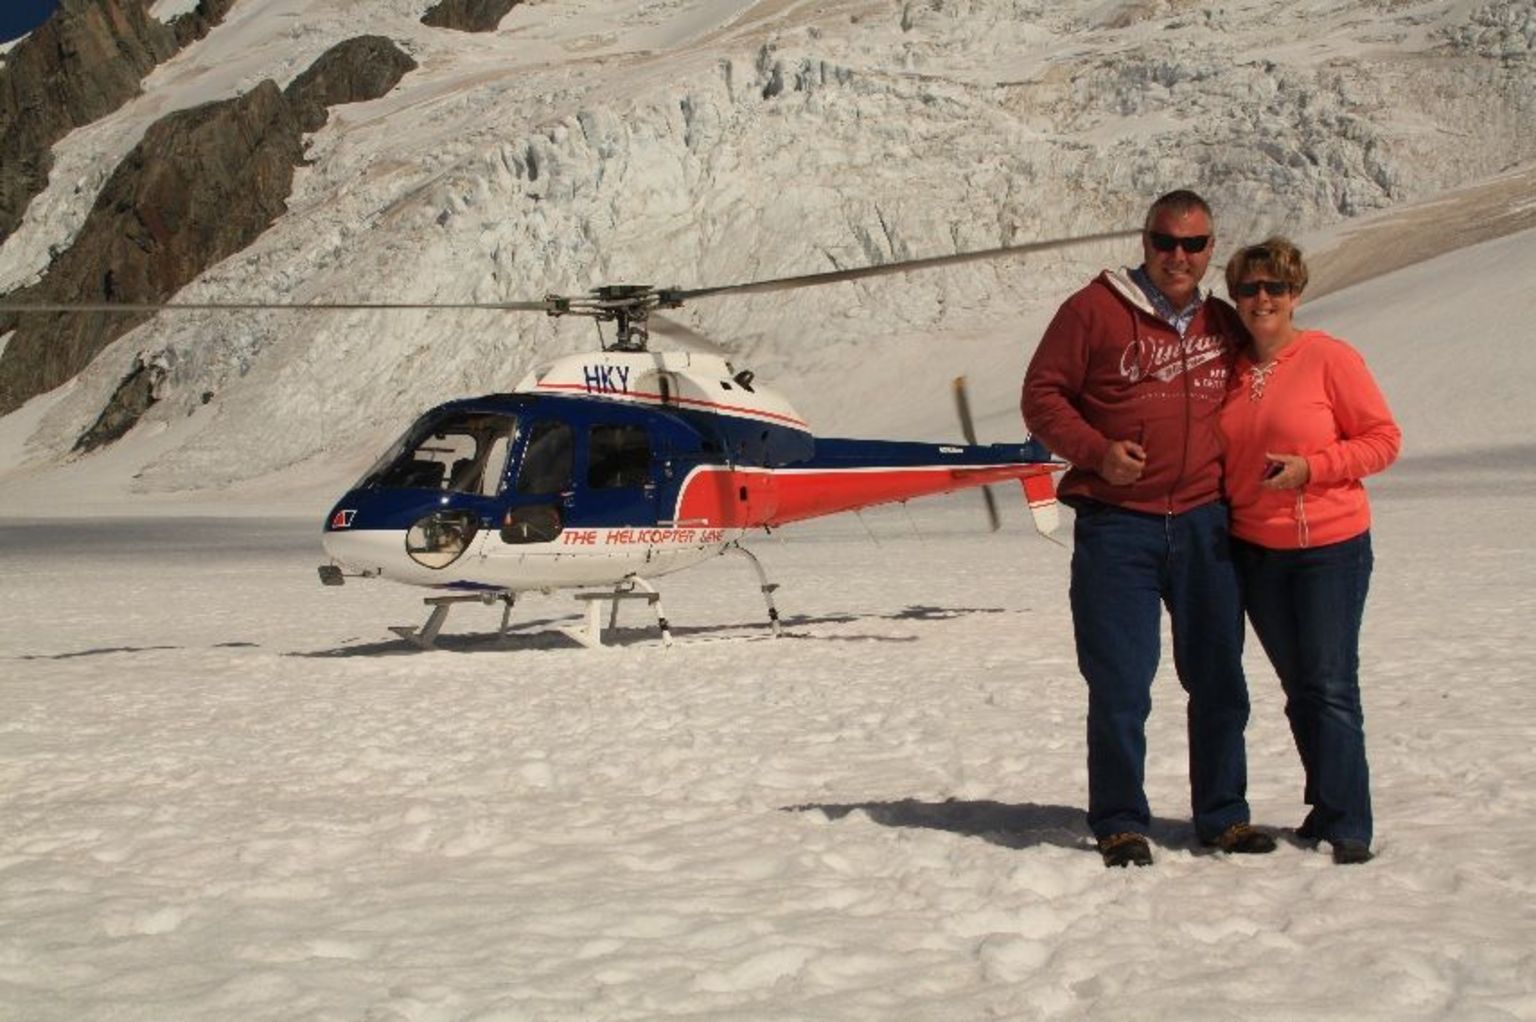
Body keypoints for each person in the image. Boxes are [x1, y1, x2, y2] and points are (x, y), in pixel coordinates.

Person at [1023, 189, 1276, 867]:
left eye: (1194, 245)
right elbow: (1041, 395)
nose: (1179, 257)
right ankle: (1120, 821)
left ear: (1211, 249)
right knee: (1121, 682)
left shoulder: (1223, 323)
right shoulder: (1092, 311)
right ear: (1145, 241)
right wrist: (1096, 452)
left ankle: (1223, 816)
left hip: (1204, 525)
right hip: (1119, 528)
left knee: (1219, 677)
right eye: (1166, 242)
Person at [1218, 237, 1400, 865]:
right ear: (1235, 298)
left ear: (1295, 294)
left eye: (1274, 287)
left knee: (1329, 683)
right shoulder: (1233, 369)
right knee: (1300, 686)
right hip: (1257, 553)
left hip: (1328, 546)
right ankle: (1325, 805)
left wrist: (1313, 468)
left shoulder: (1328, 358)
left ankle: (1351, 823)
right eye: (1249, 289)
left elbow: (1382, 439)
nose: (1262, 299)